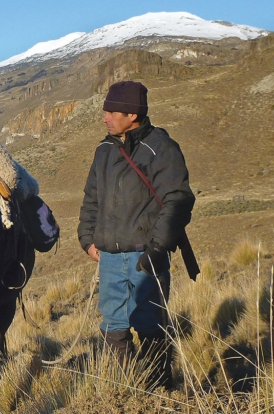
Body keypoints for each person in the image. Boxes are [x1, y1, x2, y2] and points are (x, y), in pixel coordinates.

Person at [78, 81, 195, 389]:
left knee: (150, 325)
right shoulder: (104, 150)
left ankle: (158, 392)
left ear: (132, 115)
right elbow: (92, 198)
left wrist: (157, 249)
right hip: (109, 258)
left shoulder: (161, 148)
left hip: (146, 257)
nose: (104, 118)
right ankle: (127, 389)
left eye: (111, 112)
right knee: (113, 327)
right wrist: (87, 239)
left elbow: (178, 200)